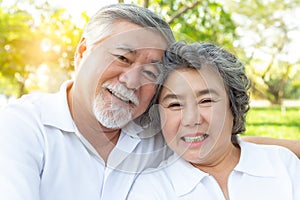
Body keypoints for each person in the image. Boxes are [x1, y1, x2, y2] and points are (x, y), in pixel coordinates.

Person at [0, 4, 175, 200]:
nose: (132, 81)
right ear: (83, 52)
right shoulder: (23, 125)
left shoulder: (164, 143)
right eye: (122, 58)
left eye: (150, 73)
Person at [127, 41, 300, 200]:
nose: (191, 119)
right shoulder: (152, 188)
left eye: (206, 101)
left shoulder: (283, 165)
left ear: (233, 105)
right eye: (175, 104)